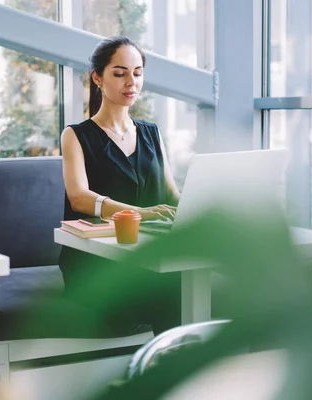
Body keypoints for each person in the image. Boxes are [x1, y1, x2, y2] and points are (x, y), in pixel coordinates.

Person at [59, 36, 181, 335]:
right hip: (94, 263)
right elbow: (79, 198)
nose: (131, 82)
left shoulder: (151, 133)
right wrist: (141, 213)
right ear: (98, 77)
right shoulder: (76, 135)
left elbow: (170, 194)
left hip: (145, 255)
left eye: (137, 73)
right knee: (173, 289)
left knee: (183, 282)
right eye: (120, 72)